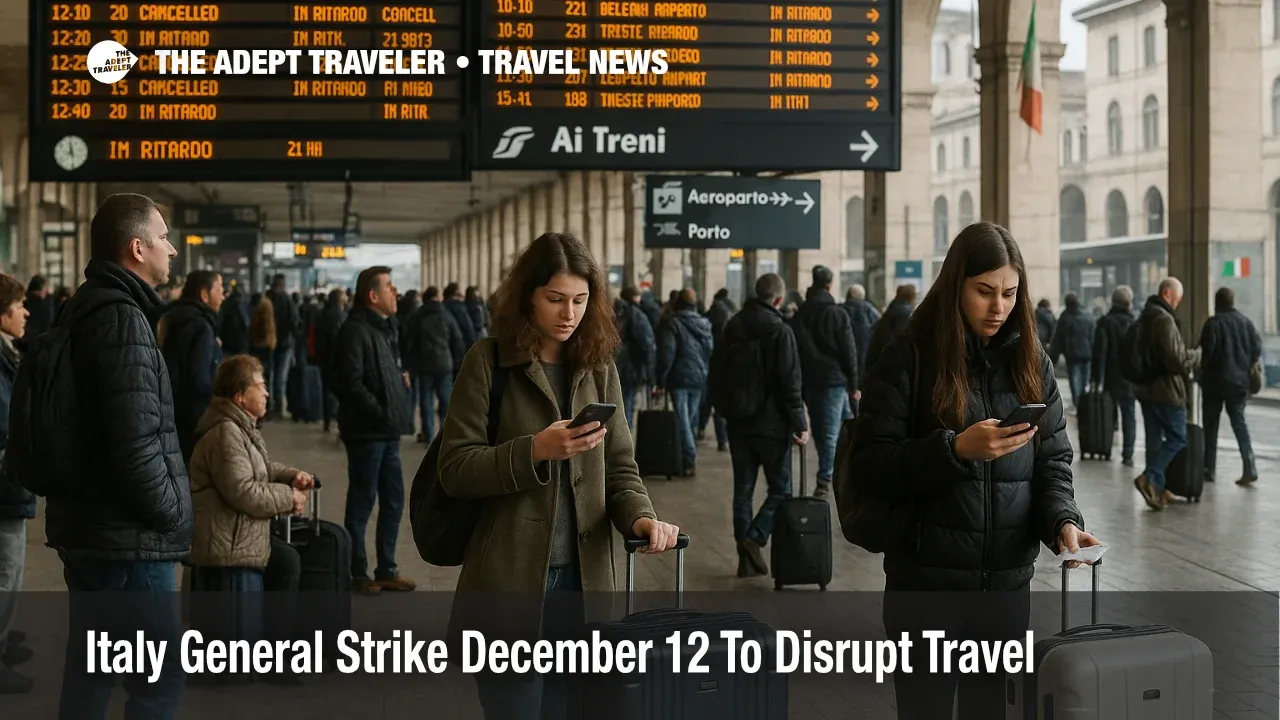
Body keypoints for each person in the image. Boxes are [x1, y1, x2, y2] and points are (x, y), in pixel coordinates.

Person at [844, 221, 1098, 719]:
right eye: (984, 292)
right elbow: (872, 464)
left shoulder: (1032, 362)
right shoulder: (909, 358)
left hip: (1005, 589)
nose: (998, 307)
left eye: (1009, 293)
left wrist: (1064, 523)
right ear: (955, 284)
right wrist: (955, 450)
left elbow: (1052, 462)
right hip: (925, 588)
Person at [437, 232, 680, 720]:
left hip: (587, 585)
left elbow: (620, 467)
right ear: (528, 295)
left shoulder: (598, 367)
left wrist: (642, 518)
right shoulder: (488, 363)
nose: (568, 314)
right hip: (511, 583)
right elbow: (455, 468)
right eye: (555, 299)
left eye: (580, 301)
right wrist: (535, 450)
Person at [44, 193, 190, 719]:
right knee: (157, 682)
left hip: (89, 529)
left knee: (91, 672)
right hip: (126, 541)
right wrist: (172, 513)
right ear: (136, 248)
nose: (171, 249)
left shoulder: (85, 307)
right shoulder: (123, 321)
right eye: (163, 237)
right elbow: (135, 444)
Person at [186, 355, 311, 683]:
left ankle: (278, 656)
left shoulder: (239, 427)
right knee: (287, 562)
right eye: (261, 386)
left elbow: (261, 467)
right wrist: (289, 498)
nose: (268, 393)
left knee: (288, 561)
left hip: (235, 532)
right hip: (226, 539)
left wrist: (292, 475)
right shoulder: (226, 433)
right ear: (240, 396)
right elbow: (243, 491)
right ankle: (277, 659)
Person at [709, 274, 808, 577]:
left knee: (743, 491)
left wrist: (723, 410)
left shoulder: (733, 326)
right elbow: (789, 382)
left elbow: (715, 372)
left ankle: (745, 556)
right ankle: (755, 537)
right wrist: (799, 422)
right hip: (772, 425)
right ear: (778, 299)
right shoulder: (780, 331)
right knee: (781, 489)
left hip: (739, 423)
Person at [334, 266, 415, 594]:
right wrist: (381, 409)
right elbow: (349, 382)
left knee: (394, 500)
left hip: (388, 430)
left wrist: (399, 383)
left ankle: (386, 568)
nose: (395, 292)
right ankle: (358, 571)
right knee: (363, 501)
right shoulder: (355, 331)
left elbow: (383, 371)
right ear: (372, 295)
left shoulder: (385, 329)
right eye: (390, 287)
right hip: (367, 432)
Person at [1132, 278, 1200, 510]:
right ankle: (1150, 477)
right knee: (1178, 437)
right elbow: (1176, 360)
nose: (1178, 303)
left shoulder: (1145, 316)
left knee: (1154, 438)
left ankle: (1156, 490)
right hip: (1165, 391)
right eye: (1177, 298)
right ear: (1167, 293)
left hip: (1146, 389)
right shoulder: (1164, 320)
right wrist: (1195, 356)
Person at [791, 265, 858, 499]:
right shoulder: (837, 314)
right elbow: (848, 351)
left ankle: (841, 472)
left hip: (810, 381)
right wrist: (854, 384)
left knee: (827, 430)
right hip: (834, 381)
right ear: (829, 284)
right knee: (833, 432)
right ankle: (826, 479)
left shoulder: (800, 314)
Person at [0, 274, 32, 694]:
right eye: (19, 305)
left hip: (10, 483)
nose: (26, 312)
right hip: (4, 484)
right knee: (6, 571)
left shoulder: (7, 355)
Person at [157, 270, 225, 462]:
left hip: (170, 408)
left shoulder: (172, 317)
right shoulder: (201, 326)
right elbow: (199, 377)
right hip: (193, 415)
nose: (223, 296)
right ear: (204, 294)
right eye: (219, 290)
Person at [1198, 287, 1262, 485]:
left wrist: (1200, 374)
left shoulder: (1213, 324)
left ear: (1217, 303)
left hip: (1214, 384)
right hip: (1238, 383)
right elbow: (1257, 349)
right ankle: (1249, 466)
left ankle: (1209, 470)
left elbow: (1206, 354)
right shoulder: (1246, 323)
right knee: (1240, 424)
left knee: (1210, 427)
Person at [654, 288, 714, 476]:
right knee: (689, 419)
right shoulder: (704, 324)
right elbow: (709, 350)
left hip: (679, 377)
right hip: (699, 377)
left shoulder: (672, 324)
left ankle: (689, 459)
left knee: (683, 420)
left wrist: (661, 378)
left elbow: (667, 354)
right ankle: (684, 456)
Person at [402, 285, 466, 443]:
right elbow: (457, 339)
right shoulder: (446, 314)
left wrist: (409, 365)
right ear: (436, 297)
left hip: (424, 365)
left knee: (426, 401)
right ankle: (446, 435)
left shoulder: (417, 316)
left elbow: (409, 342)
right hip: (444, 364)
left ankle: (429, 435)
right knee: (446, 400)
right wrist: (459, 361)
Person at [1091, 285, 1139, 466]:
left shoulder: (1105, 322)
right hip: (1130, 378)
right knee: (1129, 415)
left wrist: (1097, 379)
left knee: (1109, 414)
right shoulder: (1134, 322)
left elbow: (1100, 353)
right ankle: (1128, 453)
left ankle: (1106, 447)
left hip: (1112, 377)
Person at [615, 286, 656, 428]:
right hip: (631, 366)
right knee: (628, 401)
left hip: (616, 364)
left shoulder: (615, 311)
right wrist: (650, 374)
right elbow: (647, 344)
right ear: (634, 297)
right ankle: (624, 436)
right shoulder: (637, 315)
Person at [1048, 293, 1095, 411]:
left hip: (1072, 354)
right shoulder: (1087, 315)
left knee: (1075, 379)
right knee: (1085, 378)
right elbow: (1093, 335)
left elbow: (1058, 338)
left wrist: (1054, 356)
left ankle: (1078, 402)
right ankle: (1083, 399)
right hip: (1087, 353)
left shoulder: (1065, 317)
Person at [864, 284, 917, 380]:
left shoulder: (892, 309)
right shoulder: (904, 313)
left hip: (879, 360)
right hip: (892, 365)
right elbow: (900, 338)